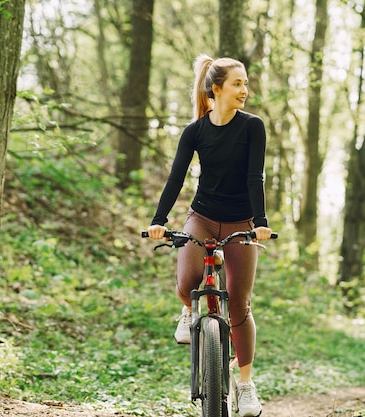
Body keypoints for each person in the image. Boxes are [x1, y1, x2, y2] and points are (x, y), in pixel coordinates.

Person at [147, 54, 272, 417]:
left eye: (246, 83)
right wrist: (159, 219)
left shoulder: (253, 127)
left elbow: (255, 178)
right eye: (238, 84)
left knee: (239, 304)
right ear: (216, 89)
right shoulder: (195, 131)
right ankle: (187, 311)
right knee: (187, 281)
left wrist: (260, 223)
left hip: (240, 221)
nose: (245, 90)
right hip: (201, 216)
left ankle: (245, 387)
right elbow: (176, 177)